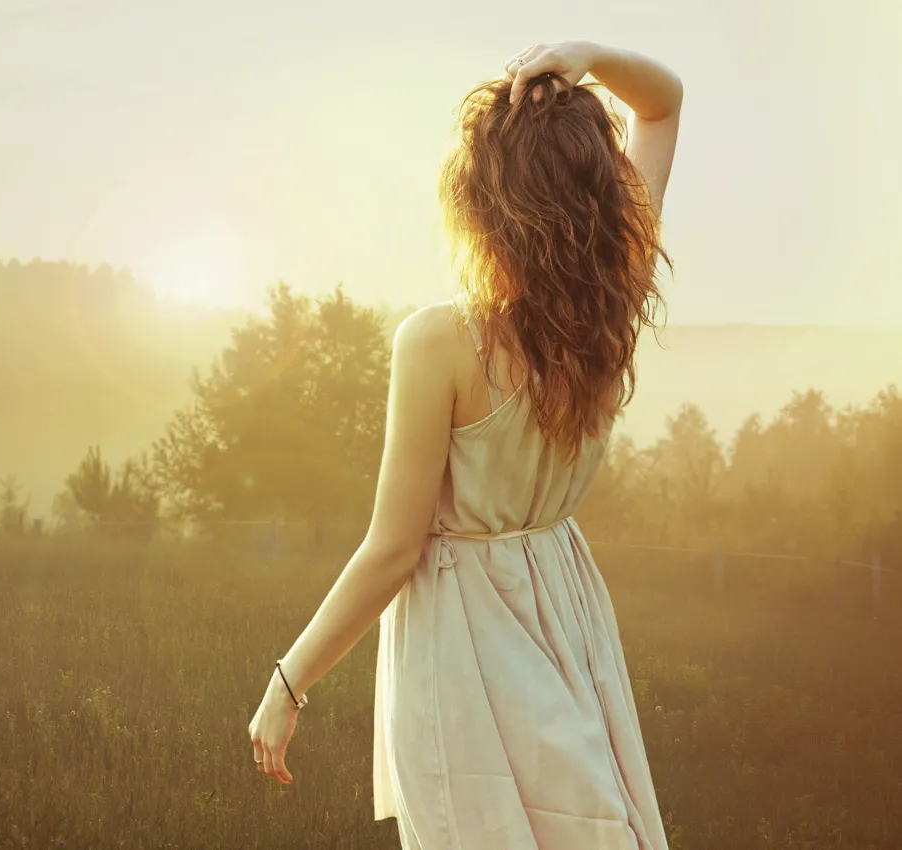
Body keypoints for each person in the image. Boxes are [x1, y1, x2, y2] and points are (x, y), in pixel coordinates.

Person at [247, 39, 682, 849]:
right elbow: (663, 103)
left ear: (485, 203)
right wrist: (588, 54)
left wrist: (289, 681)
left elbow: (392, 550)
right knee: (591, 823)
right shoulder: (611, 303)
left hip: (464, 635)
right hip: (564, 606)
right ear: (596, 194)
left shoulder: (441, 341)